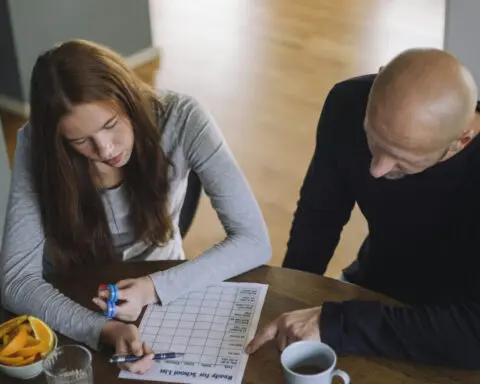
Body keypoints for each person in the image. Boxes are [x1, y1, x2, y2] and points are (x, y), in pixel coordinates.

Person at [0, 39, 271, 374]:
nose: (104, 149)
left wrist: (155, 288)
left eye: (110, 125)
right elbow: (15, 282)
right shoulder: (36, 144)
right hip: (72, 298)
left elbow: (254, 241)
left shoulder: (183, 118)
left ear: (128, 99)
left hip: (168, 284)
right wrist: (103, 330)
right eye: (80, 141)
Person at [246, 48, 480, 369]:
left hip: (451, 327)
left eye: (403, 161)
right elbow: (319, 216)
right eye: (373, 138)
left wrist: (336, 323)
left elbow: (473, 335)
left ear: (463, 140)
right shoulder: (348, 102)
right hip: (372, 285)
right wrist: (289, 296)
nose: (377, 169)